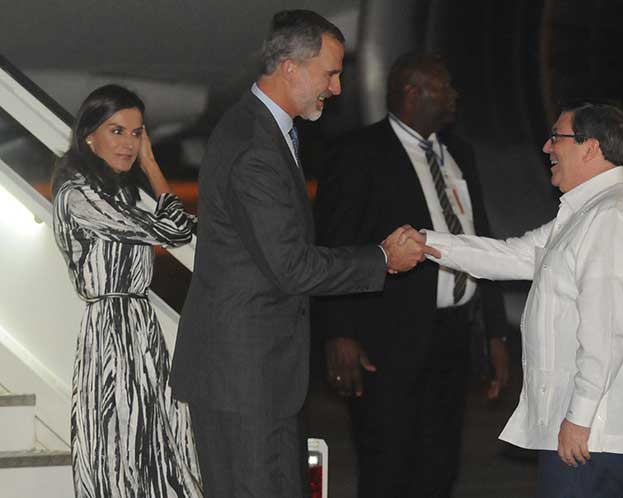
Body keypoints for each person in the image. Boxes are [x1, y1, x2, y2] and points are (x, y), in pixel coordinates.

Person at [169, 10, 433, 498]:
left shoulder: (265, 131)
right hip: (244, 380)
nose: (336, 88)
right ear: (290, 67)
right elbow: (291, 265)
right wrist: (382, 258)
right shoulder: (255, 146)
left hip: (261, 374)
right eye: (330, 73)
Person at [404, 102, 623, 498]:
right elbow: (514, 255)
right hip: (588, 433)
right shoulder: (587, 213)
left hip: (595, 434)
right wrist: (427, 244)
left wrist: (579, 418)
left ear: (590, 148)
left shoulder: (613, 218)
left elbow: (607, 331)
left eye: (556, 138)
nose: (546, 147)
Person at [314, 52, 510, 498]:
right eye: (444, 88)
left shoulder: (459, 153)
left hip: (452, 335)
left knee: (439, 464)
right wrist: (338, 333)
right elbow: (335, 247)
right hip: (387, 338)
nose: (454, 97)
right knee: (387, 464)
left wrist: (495, 332)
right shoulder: (359, 153)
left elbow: (481, 240)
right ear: (411, 92)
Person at [51, 84, 202, 498]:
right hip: (111, 333)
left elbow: (177, 226)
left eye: (137, 133)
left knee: (158, 443)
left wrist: (149, 168)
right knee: (118, 448)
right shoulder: (77, 195)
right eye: (117, 131)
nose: (130, 143)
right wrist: (153, 166)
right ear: (88, 136)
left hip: (139, 325)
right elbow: (175, 228)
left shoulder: (118, 193)